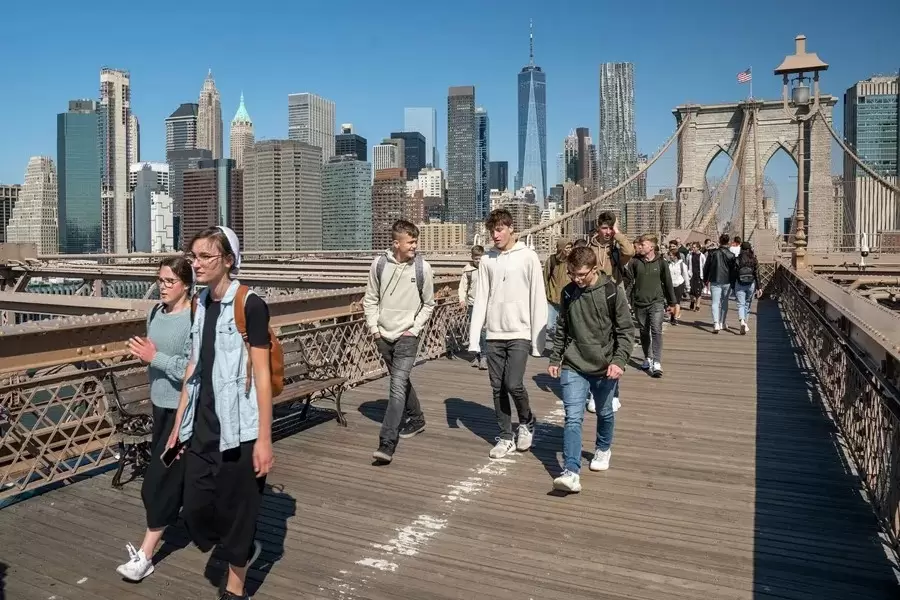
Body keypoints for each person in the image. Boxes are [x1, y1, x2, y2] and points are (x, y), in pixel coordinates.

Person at [167, 226, 273, 600]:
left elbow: (262, 376)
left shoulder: (250, 305)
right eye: (193, 256)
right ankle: (235, 546)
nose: (195, 264)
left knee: (239, 511)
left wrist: (264, 439)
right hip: (203, 425)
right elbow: (193, 366)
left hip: (240, 428)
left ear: (228, 260)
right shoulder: (199, 303)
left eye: (204, 257)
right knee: (196, 510)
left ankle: (235, 586)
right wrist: (179, 423)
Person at [116, 257, 193, 582]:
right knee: (179, 479)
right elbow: (154, 358)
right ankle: (228, 527)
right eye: (160, 280)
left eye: (169, 281)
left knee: (157, 483)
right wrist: (145, 355)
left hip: (184, 413)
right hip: (160, 409)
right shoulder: (154, 313)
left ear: (186, 285)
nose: (162, 286)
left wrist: (154, 357)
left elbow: (191, 369)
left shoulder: (194, 318)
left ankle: (145, 556)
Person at [547, 247, 634, 492]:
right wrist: (555, 358)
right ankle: (571, 471)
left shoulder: (611, 291)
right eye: (572, 273)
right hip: (574, 363)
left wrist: (619, 361)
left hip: (605, 365)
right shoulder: (568, 292)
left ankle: (603, 448)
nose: (576, 279)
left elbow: (626, 331)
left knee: (604, 412)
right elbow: (562, 328)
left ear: (594, 269)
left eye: (581, 274)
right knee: (573, 417)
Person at [469, 208, 547, 459]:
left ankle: (526, 421)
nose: (495, 235)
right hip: (494, 333)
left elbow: (537, 297)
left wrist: (539, 341)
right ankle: (505, 436)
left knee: (513, 384)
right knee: (497, 387)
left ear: (511, 228)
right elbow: (481, 299)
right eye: (492, 231)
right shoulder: (487, 260)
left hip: (520, 332)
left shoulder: (528, 257)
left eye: (500, 229)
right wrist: (474, 339)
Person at [364, 220, 436, 463]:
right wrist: (375, 330)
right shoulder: (379, 265)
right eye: (410, 242)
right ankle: (417, 419)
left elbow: (429, 304)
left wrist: (414, 330)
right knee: (400, 380)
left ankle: (386, 444)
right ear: (396, 243)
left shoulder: (423, 268)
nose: (415, 246)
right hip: (383, 336)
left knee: (396, 386)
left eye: (416, 241)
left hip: (407, 337)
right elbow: (370, 299)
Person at [628, 234, 677, 377]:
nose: (640, 247)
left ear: (651, 247)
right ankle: (647, 357)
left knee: (656, 330)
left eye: (643, 245)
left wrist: (672, 303)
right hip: (639, 303)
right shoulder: (635, 262)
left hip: (656, 302)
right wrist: (627, 300)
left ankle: (657, 362)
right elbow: (629, 282)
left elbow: (668, 283)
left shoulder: (661, 263)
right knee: (644, 331)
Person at [460, 245, 487, 369]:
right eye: (476, 258)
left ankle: (484, 356)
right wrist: (462, 299)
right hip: (472, 303)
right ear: (472, 258)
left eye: (480, 258)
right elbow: (463, 287)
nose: (478, 261)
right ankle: (477, 356)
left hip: (485, 304)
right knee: (475, 331)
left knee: (483, 331)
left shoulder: (487, 269)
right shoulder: (468, 271)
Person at [704, 233, 737, 333]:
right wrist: (733, 282)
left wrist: (705, 280)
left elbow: (706, 267)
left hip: (715, 280)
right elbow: (733, 270)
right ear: (728, 242)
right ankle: (722, 322)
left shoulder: (712, 253)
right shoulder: (731, 255)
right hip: (727, 281)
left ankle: (716, 324)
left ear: (719, 241)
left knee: (715, 302)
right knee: (724, 302)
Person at [544, 238, 572, 339]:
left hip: (567, 298)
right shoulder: (551, 260)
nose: (569, 250)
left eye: (570, 247)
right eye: (567, 248)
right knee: (550, 325)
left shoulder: (572, 261)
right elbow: (545, 278)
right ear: (561, 248)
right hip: (553, 298)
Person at [734, 241, 762, 335]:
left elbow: (734, 273)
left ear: (741, 249)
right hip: (751, 284)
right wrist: (759, 287)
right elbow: (757, 273)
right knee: (747, 304)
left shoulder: (737, 259)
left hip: (739, 283)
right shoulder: (753, 259)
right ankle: (745, 324)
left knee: (740, 304)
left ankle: (742, 321)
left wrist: (733, 284)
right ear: (749, 249)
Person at [665, 247, 689, 325]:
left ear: (675, 256)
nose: (670, 256)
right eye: (669, 255)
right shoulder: (669, 264)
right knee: (671, 302)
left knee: (677, 302)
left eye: (671, 255)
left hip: (679, 284)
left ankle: (675, 318)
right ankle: (672, 315)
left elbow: (685, 275)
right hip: (671, 284)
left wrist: (687, 286)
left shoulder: (682, 265)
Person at [686, 242, 707, 311]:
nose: (693, 248)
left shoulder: (702, 256)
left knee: (698, 291)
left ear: (698, 248)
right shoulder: (689, 255)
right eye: (692, 247)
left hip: (699, 275)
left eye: (694, 247)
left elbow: (704, 265)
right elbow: (687, 264)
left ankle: (697, 305)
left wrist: (704, 276)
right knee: (691, 291)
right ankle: (692, 301)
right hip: (691, 275)